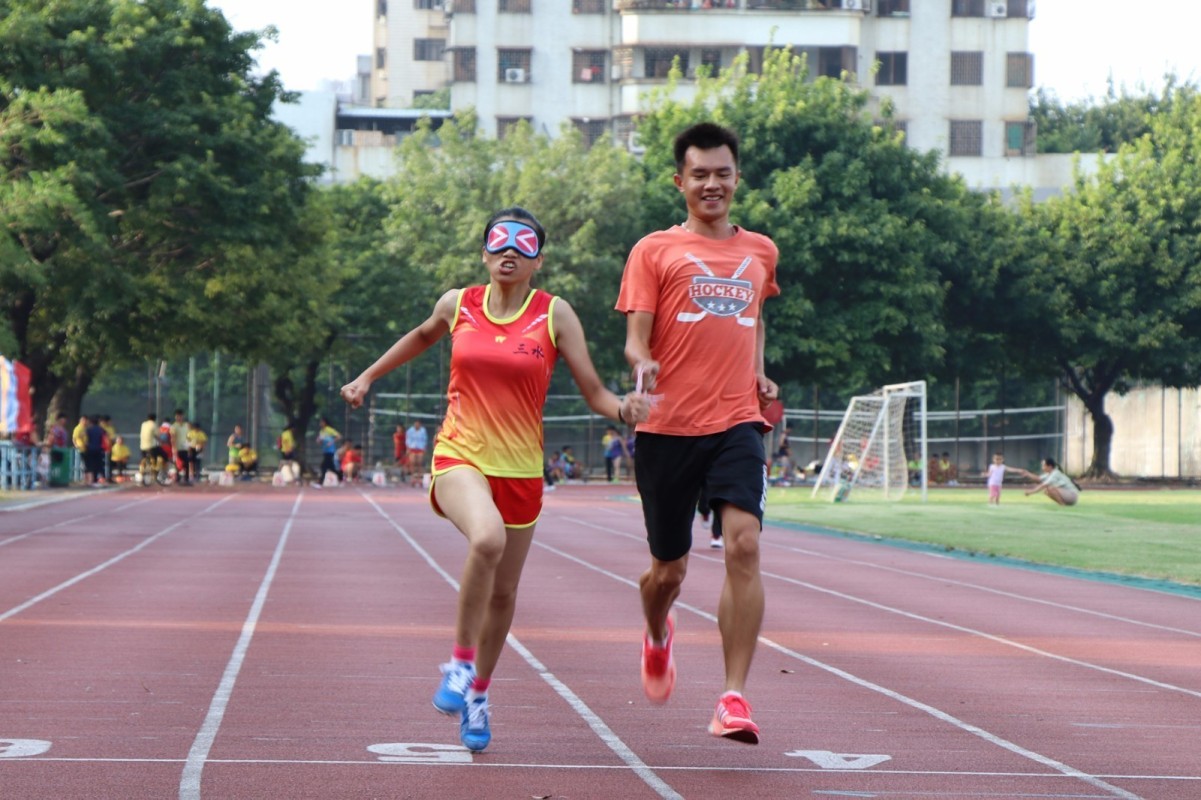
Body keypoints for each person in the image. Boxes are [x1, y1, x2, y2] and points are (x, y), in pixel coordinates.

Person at [339, 206, 648, 753]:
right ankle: (459, 664)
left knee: (504, 592)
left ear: (538, 260)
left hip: (522, 469)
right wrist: (367, 376)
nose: (510, 252)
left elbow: (594, 391)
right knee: (486, 538)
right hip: (460, 455)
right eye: (499, 243)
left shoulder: (555, 315)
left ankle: (479, 692)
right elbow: (419, 335)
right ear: (484, 254)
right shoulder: (459, 304)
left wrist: (625, 410)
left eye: (522, 245)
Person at [616, 122, 780, 745]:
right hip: (667, 426)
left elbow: (755, 318)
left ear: (737, 178)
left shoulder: (760, 251)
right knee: (669, 572)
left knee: (743, 546)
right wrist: (642, 361)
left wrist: (759, 372)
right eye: (700, 174)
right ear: (679, 180)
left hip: (737, 420)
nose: (712, 184)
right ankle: (658, 631)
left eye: (723, 173)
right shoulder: (654, 250)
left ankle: (733, 697)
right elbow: (637, 331)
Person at [313, 417, 341, 487]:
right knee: (331, 467)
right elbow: (320, 441)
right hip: (325, 450)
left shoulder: (329, 429)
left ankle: (320, 481)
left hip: (330, 450)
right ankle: (340, 476)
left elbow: (338, 436)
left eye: (321, 422)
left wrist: (331, 442)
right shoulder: (321, 431)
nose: (320, 424)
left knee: (323, 466)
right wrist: (319, 441)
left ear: (325, 423)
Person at [170, 409, 191, 484]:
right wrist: (174, 448)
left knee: (186, 463)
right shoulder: (173, 426)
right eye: (177, 416)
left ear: (183, 416)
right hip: (177, 447)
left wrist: (189, 447)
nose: (179, 418)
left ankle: (186, 478)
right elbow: (172, 437)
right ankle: (178, 478)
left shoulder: (186, 425)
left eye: (180, 416)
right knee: (178, 464)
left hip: (185, 447)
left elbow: (188, 437)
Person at [405, 419, 428, 487]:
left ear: (420, 424)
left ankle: (419, 478)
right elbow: (408, 440)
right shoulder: (410, 431)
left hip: (420, 448)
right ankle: (413, 478)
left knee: (419, 463)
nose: (417, 425)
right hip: (412, 448)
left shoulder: (423, 431)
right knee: (413, 462)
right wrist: (408, 448)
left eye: (418, 424)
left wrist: (424, 448)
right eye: (416, 424)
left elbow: (425, 439)